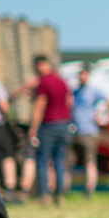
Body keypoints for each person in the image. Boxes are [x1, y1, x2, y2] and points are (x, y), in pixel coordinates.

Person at [27, 53, 73, 205]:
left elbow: (40, 105)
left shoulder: (44, 82)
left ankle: (43, 195)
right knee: (59, 160)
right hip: (64, 124)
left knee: (42, 160)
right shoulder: (62, 81)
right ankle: (59, 195)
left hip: (49, 125)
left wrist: (33, 128)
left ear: (40, 65)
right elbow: (69, 102)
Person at [70, 63, 109, 197]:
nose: (81, 77)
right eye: (80, 74)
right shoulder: (75, 92)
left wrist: (102, 116)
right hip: (74, 132)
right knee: (68, 162)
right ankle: (64, 190)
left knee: (90, 162)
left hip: (89, 132)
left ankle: (88, 191)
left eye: (84, 74)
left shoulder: (93, 91)